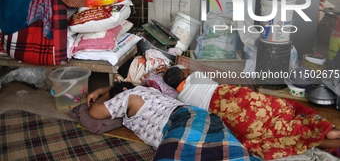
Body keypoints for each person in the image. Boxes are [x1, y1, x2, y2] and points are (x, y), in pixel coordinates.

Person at [163, 66, 340, 160]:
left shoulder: (183, 99)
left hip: (236, 118)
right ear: (184, 74)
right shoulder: (197, 77)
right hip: (243, 98)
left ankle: (327, 136)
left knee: (289, 132)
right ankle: (330, 131)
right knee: (284, 114)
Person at [86, 81, 260, 161]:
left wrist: (105, 93)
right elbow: (126, 84)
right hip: (202, 116)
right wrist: (106, 88)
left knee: (173, 155)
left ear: (122, 91)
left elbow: (95, 112)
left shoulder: (127, 95)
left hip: (181, 121)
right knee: (228, 152)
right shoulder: (146, 90)